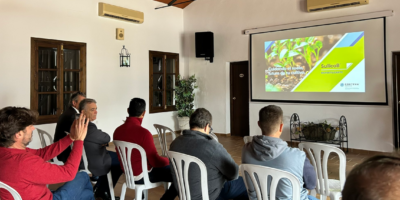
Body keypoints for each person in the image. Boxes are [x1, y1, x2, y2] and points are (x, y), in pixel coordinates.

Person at [0, 106, 93, 200]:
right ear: (18, 135)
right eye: (29, 126)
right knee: (83, 176)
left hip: (31, 195)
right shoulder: (25, 162)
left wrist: (71, 137)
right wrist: (79, 140)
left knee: (86, 194)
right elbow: (69, 173)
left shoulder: (6, 150)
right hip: (47, 198)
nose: (33, 128)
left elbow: (41, 153)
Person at [170, 108, 248, 200]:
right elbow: (234, 174)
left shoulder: (175, 143)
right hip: (209, 195)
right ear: (207, 127)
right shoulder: (212, 147)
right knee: (245, 184)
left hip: (185, 194)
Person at [242, 105, 318, 200]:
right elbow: (311, 184)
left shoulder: (246, 150)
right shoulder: (298, 156)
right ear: (281, 126)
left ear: (259, 124)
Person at [113, 98, 178, 200]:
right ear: (144, 113)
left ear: (128, 110)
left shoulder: (117, 131)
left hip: (128, 175)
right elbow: (155, 162)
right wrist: (168, 161)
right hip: (143, 176)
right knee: (178, 174)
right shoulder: (144, 133)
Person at [79, 99, 123, 200]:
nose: (96, 112)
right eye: (92, 109)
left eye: (96, 109)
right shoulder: (88, 127)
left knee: (116, 157)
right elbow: (106, 137)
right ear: (83, 112)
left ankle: (99, 188)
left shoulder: (79, 122)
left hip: (86, 155)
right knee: (120, 161)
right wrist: (101, 141)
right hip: (92, 159)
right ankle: (104, 191)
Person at [54, 91, 86, 169]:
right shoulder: (72, 116)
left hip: (61, 148)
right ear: (74, 103)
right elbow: (78, 135)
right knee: (94, 150)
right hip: (66, 152)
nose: (84, 105)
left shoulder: (68, 112)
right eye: (82, 102)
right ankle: (91, 176)